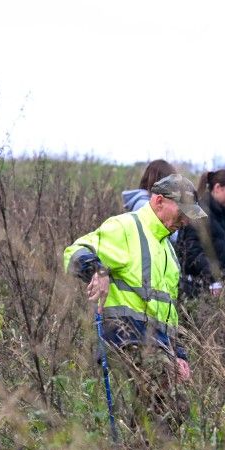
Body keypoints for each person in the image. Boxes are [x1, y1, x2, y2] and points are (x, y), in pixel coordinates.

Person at [62, 174, 207, 434]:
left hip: (158, 344)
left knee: (164, 409)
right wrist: (97, 271)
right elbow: (75, 251)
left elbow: (168, 313)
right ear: (159, 201)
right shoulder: (126, 227)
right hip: (123, 337)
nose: (185, 221)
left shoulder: (168, 251)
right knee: (170, 399)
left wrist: (180, 354)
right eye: (182, 212)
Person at [176, 169, 225, 298]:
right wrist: (213, 279)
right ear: (218, 187)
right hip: (195, 293)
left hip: (214, 294)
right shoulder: (197, 212)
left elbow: (224, 261)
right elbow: (191, 254)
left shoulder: (220, 216)